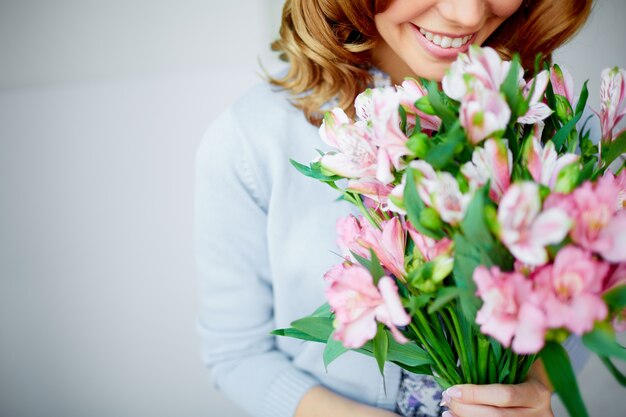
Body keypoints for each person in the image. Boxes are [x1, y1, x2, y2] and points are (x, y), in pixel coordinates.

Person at [194, 1, 593, 417]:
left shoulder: (559, 123)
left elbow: (585, 306)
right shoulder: (250, 139)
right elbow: (237, 354)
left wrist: (527, 393)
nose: (469, 15)